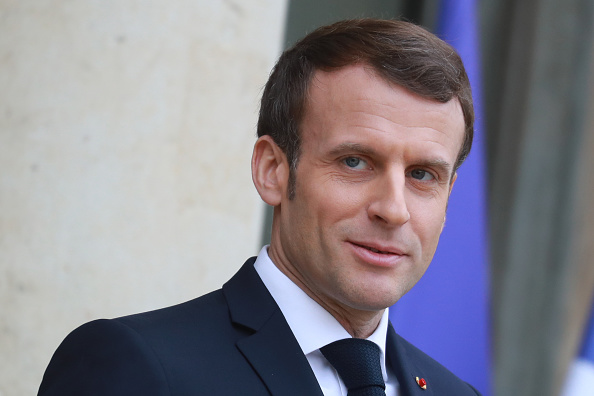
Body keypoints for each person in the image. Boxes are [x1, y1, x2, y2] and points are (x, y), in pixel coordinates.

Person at [38, 18, 480, 395]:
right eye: (354, 161)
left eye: (422, 175)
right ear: (272, 170)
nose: (394, 209)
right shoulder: (138, 368)